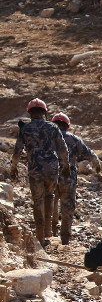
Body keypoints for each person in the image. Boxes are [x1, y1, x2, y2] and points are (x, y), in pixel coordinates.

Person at [9, 99, 69, 247]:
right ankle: (48, 231)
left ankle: (41, 238)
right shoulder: (53, 127)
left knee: (37, 202)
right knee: (49, 196)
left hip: (35, 170)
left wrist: (13, 167)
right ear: (45, 112)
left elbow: (17, 151)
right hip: (52, 169)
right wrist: (66, 165)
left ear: (30, 113)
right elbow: (63, 148)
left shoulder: (26, 129)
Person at [50, 113, 102, 245]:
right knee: (68, 208)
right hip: (68, 179)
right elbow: (89, 153)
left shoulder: (48, 137)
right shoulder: (74, 139)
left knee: (50, 203)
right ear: (67, 126)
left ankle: (51, 233)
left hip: (50, 176)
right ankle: (65, 239)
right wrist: (97, 164)